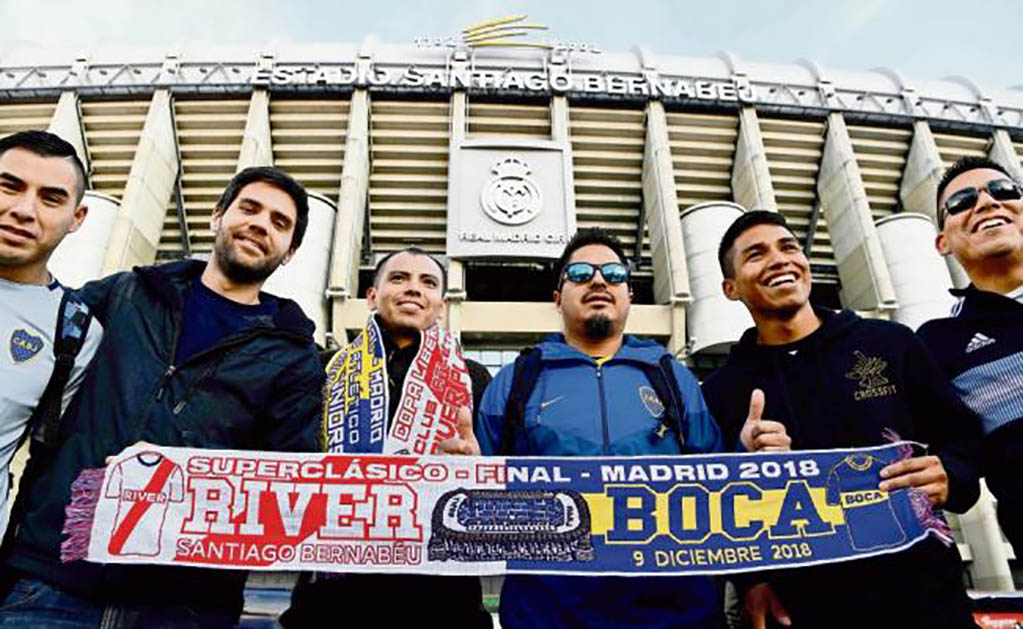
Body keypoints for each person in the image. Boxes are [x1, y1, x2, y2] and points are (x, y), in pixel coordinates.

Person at [0, 166, 323, 628]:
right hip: (52, 582)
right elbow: (30, 340)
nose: (259, 224)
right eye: (248, 208)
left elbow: (288, 480)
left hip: (185, 603)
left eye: (279, 222)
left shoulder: (295, 356)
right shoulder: (126, 293)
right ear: (217, 217)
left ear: (290, 253)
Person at [702, 210, 981, 629]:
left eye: (789, 247)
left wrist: (950, 474)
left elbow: (964, 441)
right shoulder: (721, 392)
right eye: (756, 254)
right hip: (805, 609)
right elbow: (712, 502)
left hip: (924, 598)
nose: (780, 260)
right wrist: (752, 581)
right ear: (731, 287)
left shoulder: (889, 343)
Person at [476, 227, 762, 629]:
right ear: (557, 298)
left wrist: (747, 455)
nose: (597, 281)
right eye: (579, 274)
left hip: (676, 614)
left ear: (630, 294)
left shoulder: (670, 376)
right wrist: (459, 467)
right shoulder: (517, 379)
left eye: (613, 273)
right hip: (548, 614)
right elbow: (477, 494)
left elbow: (715, 483)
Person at [281, 247, 492, 628]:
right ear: (371, 296)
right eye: (399, 278)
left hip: (442, 597)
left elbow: (500, 488)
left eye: (427, 283)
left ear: (440, 305)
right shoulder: (326, 368)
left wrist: (477, 470)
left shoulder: (472, 378)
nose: (413, 289)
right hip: (332, 596)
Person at [917, 156, 1023, 555]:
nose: (986, 203)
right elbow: (953, 461)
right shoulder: (938, 346)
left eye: (1003, 191)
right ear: (942, 242)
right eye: (962, 201)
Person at [0, 130, 102, 537]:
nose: (24, 210)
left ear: (77, 218)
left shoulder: (75, 332)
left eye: (51, 198)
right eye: (9, 186)